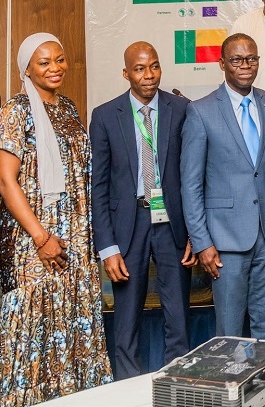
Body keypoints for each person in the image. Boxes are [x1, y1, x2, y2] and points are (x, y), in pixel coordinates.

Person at [0, 33, 114, 405]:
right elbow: (5, 180)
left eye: (59, 60)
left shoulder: (68, 108)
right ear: (27, 69)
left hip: (76, 234)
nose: (55, 68)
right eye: (44, 62)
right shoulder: (15, 111)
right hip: (36, 235)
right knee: (35, 321)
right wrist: (41, 237)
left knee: (73, 316)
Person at [180, 33, 265, 340]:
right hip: (224, 240)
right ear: (222, 64)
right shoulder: (200, 111)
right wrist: (202, 241)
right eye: (237, 60)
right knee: (230, 329)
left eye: (252, 59)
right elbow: (190, 185)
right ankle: (233, 386)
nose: (245, 66)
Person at [90, 41, 196, 379]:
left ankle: (176, 385)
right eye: (139, 69)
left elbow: (194, 174)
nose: (148, 75)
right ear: (126, 73)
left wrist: (197, 232)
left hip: (173, 225)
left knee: (178, 315)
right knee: (126, 320)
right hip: (128, 224)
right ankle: (127, 390)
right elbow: (99, 187)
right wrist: (107, 248)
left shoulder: (181, 109)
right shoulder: (106, 116)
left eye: (154, 66)